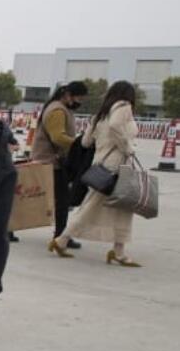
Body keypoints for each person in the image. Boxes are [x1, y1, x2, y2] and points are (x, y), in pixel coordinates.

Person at [50, 81, 142, 267]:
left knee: (119, 207)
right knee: (99, 205)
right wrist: (128, 147)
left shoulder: (101, 113)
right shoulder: (123, 107)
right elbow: (116, 126)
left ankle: (118, 250)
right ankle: (62, 240)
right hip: (116, 165)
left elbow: (85, 142)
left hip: (100, 165)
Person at [31, 80, 89, 247]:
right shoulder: (57, 110)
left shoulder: (62, 108)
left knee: (47, 200)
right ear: (68, 95)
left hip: (51, 161)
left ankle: (61, 234)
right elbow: (57, 137)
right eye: (79, 98)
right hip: (51, 162)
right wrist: (79, 144)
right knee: (61, 200)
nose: (80, 102)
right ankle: (61, 236)